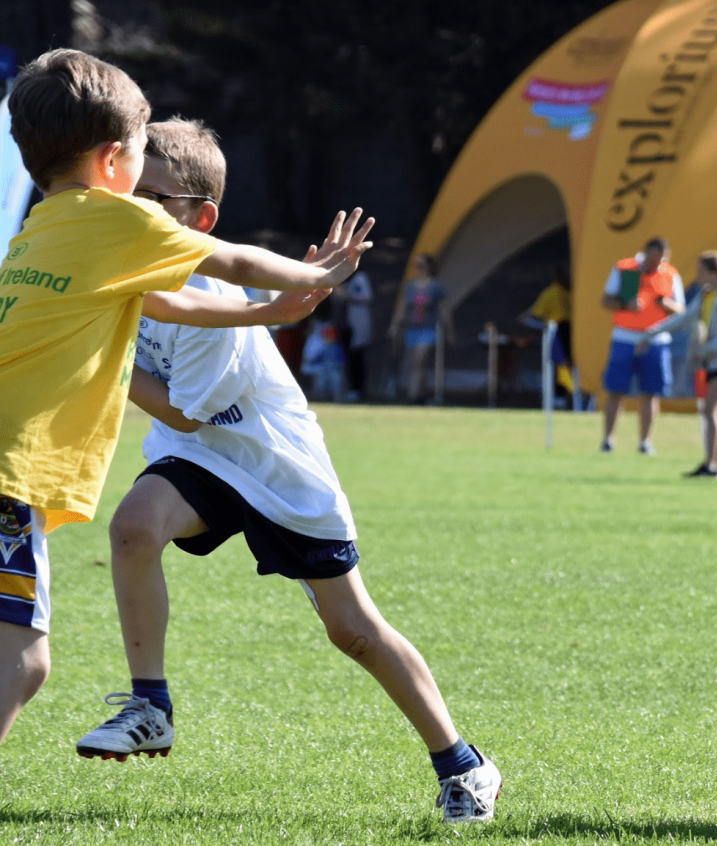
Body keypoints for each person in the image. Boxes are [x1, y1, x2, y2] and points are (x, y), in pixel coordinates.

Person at [72, 119, 501, 824]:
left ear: (199, 219)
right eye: (124, 194)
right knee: (133, 527)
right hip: (205, 456)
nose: (131, 212)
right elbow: (183, 425)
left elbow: (181, 410)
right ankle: (151, 704)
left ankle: (465, 764)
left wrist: (99, 355)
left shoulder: (221, 297)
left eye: (152, 200)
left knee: (353, 630)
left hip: (275, 465)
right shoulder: (123, 268)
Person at [0, 49, 370, 746]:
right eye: (142, 149)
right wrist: (314, 270)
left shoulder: (40, 230)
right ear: (114, 160)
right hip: (7, 474)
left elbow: (163, 302)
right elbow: (229, 259)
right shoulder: (114, 217)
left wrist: (263, 317)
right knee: (19, 664)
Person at [637, 251, 717, 479]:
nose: (697, 276)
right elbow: (684, 318)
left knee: (710, 410)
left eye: (701, 271)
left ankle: (713, 465)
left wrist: (704, 350)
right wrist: (651, 333)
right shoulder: (706, 295)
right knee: (715, 412)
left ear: (714, 272)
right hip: (710, 359)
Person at [599, 237, 685, 454]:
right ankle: (608, 439)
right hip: (625, 337)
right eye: (654, 258)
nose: (656, 264)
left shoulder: (669, 274)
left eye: (661, 259)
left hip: (655, 340)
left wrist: (667, 304)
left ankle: (645, 441)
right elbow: (606, 300)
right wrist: (625, 303)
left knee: (650, 392)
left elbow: (681, 310)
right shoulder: (626, 269)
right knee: (616, 390)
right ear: (645, 252)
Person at [389, 254, 449, 403]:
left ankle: (412, 397)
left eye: (421, 265)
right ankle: (423, 394)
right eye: (416, 266)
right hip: (411, 329)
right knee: (414, 364)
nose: (418, 269)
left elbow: (443, 310)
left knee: (418, 361)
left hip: (428, 329)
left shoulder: (435, 286)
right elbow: (402, 308)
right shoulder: (409, 286)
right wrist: (395, 325)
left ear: (429, 267)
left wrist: (449, 330)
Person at [519, 270, 574, 406]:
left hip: (559, 330)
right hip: (569, 330)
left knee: (557, 364)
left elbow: (534, 313)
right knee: (565, 363)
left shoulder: (552, 291)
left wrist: (524, 319)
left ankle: (559, 397)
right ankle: (566, 395)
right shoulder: (570, 291)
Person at [337, 269, 374, 400]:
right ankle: (351, 388)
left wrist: (348, 295)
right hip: (346, 325)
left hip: (358, 324)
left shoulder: (359, 278)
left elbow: (367, 296)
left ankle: (359, 389)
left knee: (357, 357)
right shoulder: (342, 279)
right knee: (348, 358)